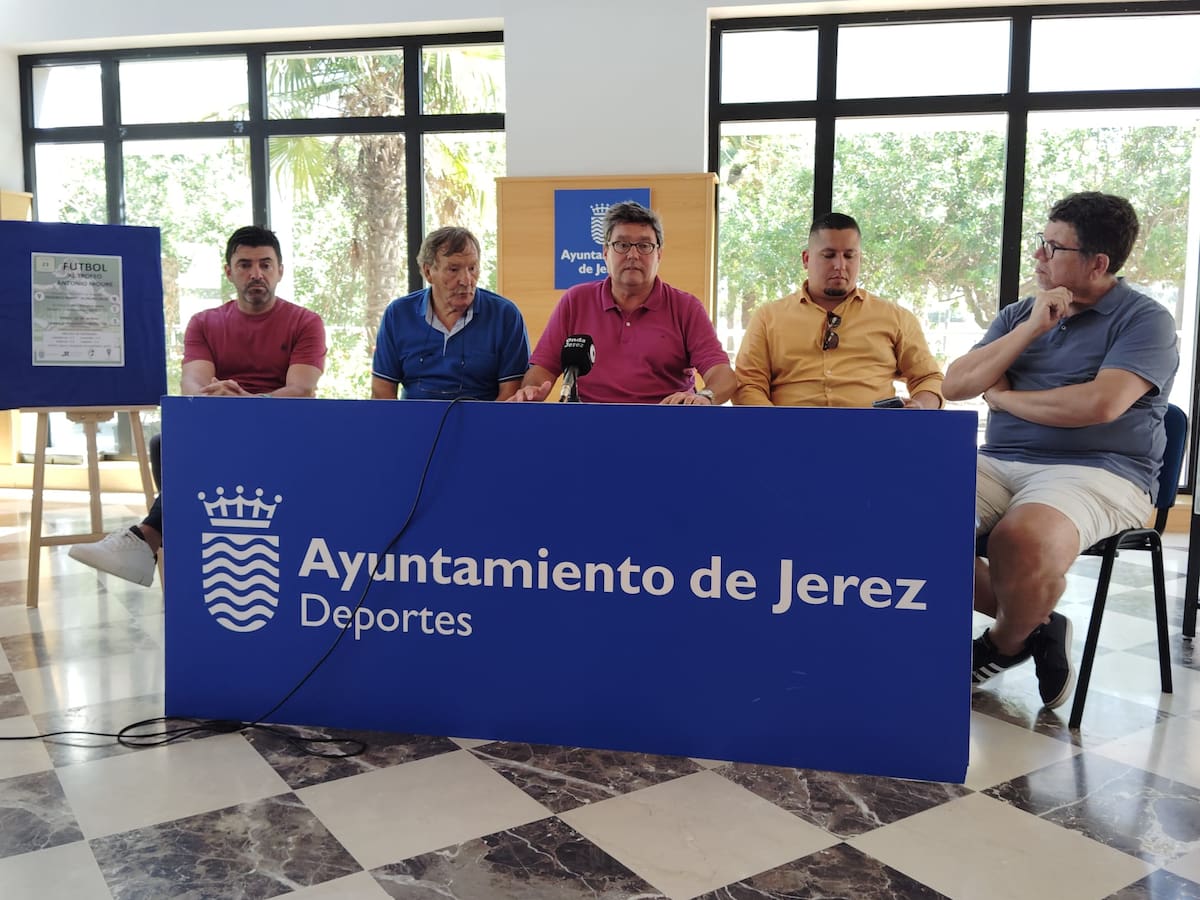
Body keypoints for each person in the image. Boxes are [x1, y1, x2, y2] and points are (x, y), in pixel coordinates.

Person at [943, 192, 1179, 709]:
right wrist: (1031, 327)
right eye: (1041, 242)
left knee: (1021, 538)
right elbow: (956, 384)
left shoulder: (1146, 320)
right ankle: (1036, 622)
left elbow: (1099, 404)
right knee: (899, 517)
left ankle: (1003, 642)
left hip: (1100, 471)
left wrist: (1005, 397)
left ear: (1098, 263)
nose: (1038, 256)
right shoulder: (1020, 314)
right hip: (999, 463)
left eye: (1054, 247)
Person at [68, 226, 327, 587]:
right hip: (220, 427)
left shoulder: (305, 322)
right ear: (229, 272)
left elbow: (301, 389)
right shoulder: (204, 323)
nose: (256, 273)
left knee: (185, 446)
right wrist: (220, 400)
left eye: (265, 264)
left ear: (280, 271)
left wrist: (248, 403)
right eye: (245, 265)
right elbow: (192, 384)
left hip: (282, 431)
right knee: (164, 443)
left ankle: (147, 538)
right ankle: (163, 544)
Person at [510, 201, 735, 405]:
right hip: (590, 424)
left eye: (644, 246)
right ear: (605, 252)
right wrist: (531, 390)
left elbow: (723, 375)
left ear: (659, 254)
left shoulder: (685, 307)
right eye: (622, 245)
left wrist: (705, 396)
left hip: (665, 422)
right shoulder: (576, 301)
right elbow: (541, 371)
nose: (633, 255)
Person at [733, 213, 944, 409]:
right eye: (829, 255)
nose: (840, 265)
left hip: (874, 433)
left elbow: (929, 378)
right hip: (789, 432)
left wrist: (920, 408)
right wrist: (773, 425)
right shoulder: (769, 317)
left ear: (860, 259)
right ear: (806, 259)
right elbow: (748, 384)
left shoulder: (895, 317)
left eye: (849, 256)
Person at [372, 226, 529, 402]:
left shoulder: (505, 315)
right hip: (414, 418)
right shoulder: (398, 315)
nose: (466, 280)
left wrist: (485, 421)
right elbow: (381, 391)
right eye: (454, 270)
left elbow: (512, 395)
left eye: (472, 268)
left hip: (484, 417)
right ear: (428, 272)